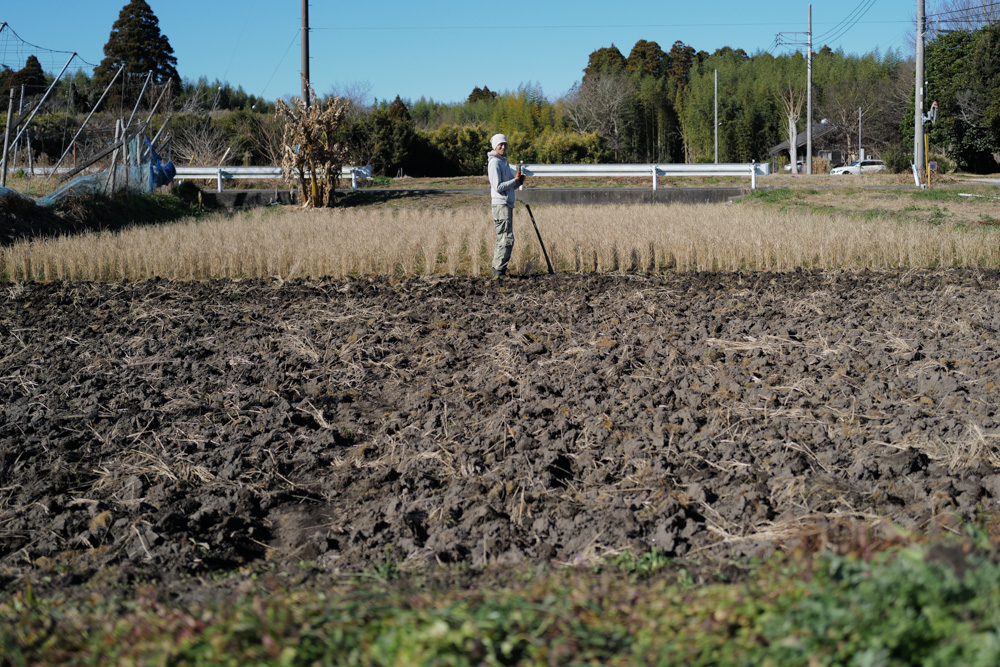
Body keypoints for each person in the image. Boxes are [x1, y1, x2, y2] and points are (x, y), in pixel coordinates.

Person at [487, 133, 526, 279]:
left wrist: (518, 182)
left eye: (505, 144)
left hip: (506, 204)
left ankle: (500, 271)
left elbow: (507, 187)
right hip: (501, 205)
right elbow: (498, 187)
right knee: (505, 238)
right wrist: (514, 180)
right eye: (500, 144)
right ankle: (498, 272)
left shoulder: (502, 161)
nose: (503, 147)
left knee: (506, 238)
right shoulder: (495, 163)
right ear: (495, 146)